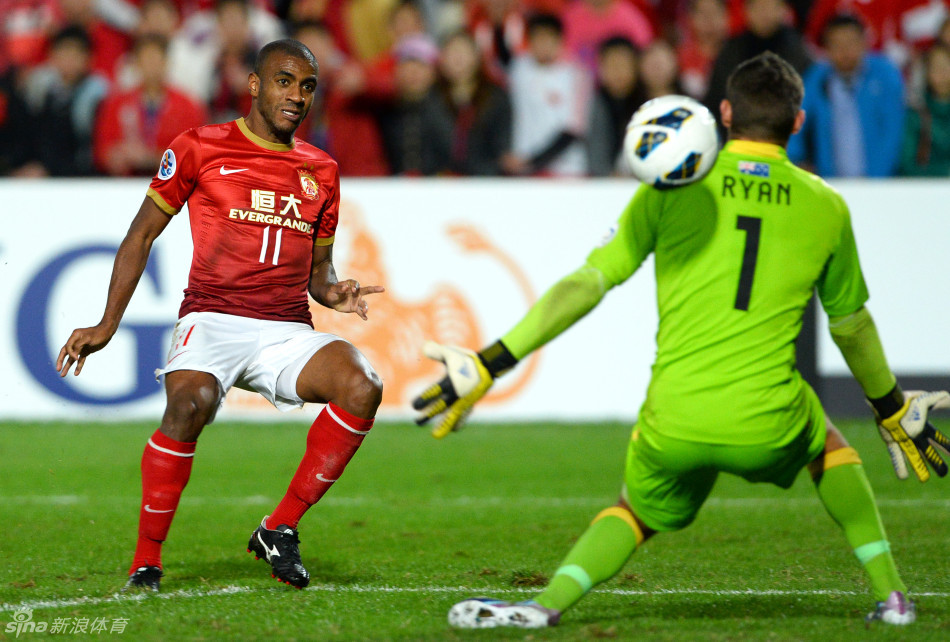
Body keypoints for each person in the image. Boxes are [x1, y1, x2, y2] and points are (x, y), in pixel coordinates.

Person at [413, 51, 950, 629]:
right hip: (768, 419)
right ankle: (892, 597)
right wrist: (891, 406)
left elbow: (588, 283)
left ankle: (544, 606)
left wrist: (494, 361)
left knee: (633, 512)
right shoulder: (827, 206)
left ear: (724, 113)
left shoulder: (672, 183)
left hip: (675, 419)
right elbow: (851, 325)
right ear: (798, 123)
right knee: (829, 446)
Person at [56, 38, 385, 593]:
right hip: (210, 318)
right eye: (284, 81)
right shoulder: (199, 147)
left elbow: (318, 274)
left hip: (284, 329)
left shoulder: (321, 170)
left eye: (307, 86)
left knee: (363, 385)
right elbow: (141, 235)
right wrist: (106, 323)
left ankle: (280, 527)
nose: (297, 96)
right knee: (189, 405)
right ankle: (145, 562)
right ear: (254, 84)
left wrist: (336, 293)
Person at [787, 13, 905, 177]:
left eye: (851, 42)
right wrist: (795, 162)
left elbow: (893, 130)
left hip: (881, 182)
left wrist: (877, 181)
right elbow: (796, 121)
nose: (845, 51)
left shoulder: (885, 74)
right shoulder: (817, 77)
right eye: (837, 44)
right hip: (832, 182)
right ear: (826, 49)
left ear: (864, 43)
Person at [94, 34, 209, 176]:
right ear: (136, 64)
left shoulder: (188, 106)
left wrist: (151, 158)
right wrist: (115, 156)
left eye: (156, 59)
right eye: (146, 59)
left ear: (167, 63)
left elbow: (196, 154)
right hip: (125, 185)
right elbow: (102, 150)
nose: (151, 66)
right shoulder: (116, 104)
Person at [901, 42, 950, 176]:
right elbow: (907, 165)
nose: (942, 74)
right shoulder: (916, 116)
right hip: (925, 193)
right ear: (926, 73)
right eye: (936, 68)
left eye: (946, 67)